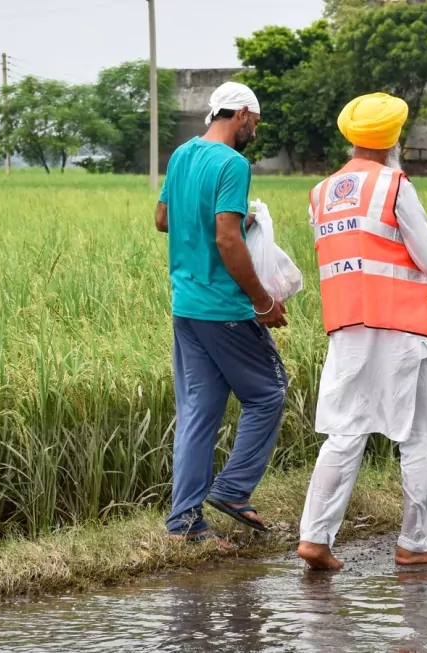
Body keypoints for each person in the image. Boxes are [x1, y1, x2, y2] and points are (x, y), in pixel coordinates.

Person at [297, 92, 427, 570]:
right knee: (423, 434)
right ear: (394, 138)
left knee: (345, 431)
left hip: (346, 325)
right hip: (399, 327)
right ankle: (415, 544)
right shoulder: (394, 184)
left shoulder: (321, 193)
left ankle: (315, 537)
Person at [155, 81, 289, 548]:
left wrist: (228, 217)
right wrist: (263, 301)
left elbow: (163, 219)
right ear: (243, 115)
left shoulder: (182, 155)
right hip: (224, 308)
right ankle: (232, 490)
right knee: (269, 392)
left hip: (186, 307)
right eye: (255, 120)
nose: (255, 128)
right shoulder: (233, 163)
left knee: (199, 411)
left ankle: (184, 523)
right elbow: (228, 241)